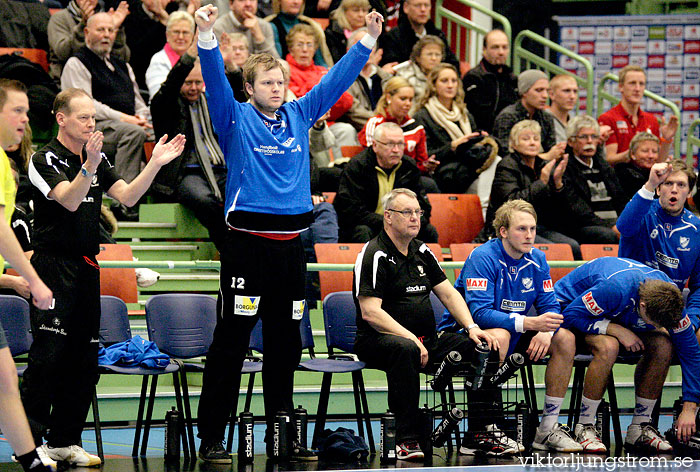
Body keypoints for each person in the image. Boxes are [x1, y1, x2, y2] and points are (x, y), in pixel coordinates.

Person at [193, 4, 383, 462]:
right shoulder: (234, 117)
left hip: (289, 251)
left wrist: (367, 41)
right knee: (232, 344)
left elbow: (335, 81)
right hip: (246, 248)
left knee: (285, 344)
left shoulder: (300, 113)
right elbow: (215, 80)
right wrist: (205, 34)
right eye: (267, 83)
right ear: (250, 88)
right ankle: (213, 437)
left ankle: (282, 434)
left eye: (280, 82)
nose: (277, 89)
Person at [22, 87, 184, 467]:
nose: (91, 124)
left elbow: (127, 196)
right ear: (61, 119)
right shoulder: (43, 158)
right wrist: (89, 166)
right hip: (52, 267)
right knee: (48, 359)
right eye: (84, 117)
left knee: (83, 359)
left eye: (93, 117)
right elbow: (69, 199)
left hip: (86, 266)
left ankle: (64, 440)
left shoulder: (94, 156)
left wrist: (155, 163)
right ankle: (30, 444)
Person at [353, 187, 496, 460]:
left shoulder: (422, 250)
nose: (415, 218)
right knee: (405, 350)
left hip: (426, 340)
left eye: (417, 212)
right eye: (406, 212)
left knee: (484, 346)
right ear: (388, 217)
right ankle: (405, 439)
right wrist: (410, 338)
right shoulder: (374, 254)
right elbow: (371, 312)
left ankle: (480, 432)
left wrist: (472, 328)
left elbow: (448, 293)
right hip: (377, 340)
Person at [439, 200, 583, 453]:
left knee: (565, 338)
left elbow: (551, 305)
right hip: (466, 332)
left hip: (513, 328)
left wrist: (546, 331)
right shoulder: (483, 256)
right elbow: (480, 314)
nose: (529, 236)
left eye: (532, 229)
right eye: (521, 229)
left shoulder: (537, 259)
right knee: (499, 336)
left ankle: (547, 429)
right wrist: (529, 323)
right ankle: (481, 430)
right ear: (503, 231)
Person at [555, 257, 700, 452]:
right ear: (643, 306)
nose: (659, 327)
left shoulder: (673, 303)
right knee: (609, 346)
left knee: (664, 344)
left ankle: (640, 427)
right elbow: (570, 315)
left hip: (621, 315)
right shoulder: (615, 288)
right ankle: (585, 426)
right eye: (656, 323)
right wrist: (613, 328)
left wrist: (690, 408)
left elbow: (691, 353)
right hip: (573, 310)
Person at [0, 78, 56, 472]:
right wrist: (33, 280)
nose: (25, 119)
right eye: (17, 110)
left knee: (5, 381)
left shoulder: (5, 165)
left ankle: (31, 461)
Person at [150, 37, 234, 253]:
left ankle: (247, 251)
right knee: (204, 201)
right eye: (188, 83)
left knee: (247, 196)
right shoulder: (165, 105)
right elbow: (169, 87)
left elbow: (240, 95)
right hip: (185, 173)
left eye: (198, 82)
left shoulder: (213, 101)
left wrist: (230, 65)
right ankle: (231, 253)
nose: (194, 88)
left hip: (221, 168)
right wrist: (188, 58)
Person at [61, 12, 151, 190]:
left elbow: (138, 101)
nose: (106, 35)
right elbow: (86, 107)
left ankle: (163, 192)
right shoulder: (77, 63)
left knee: (166, 131)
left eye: (110, 30)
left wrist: (142, 118)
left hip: (126, 123)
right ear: (87, 32)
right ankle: (122, 197)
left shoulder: (123, 65)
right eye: (101, 30)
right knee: (133, 133)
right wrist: (126, 118)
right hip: (93, 127)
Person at [618, 159, 700, 346]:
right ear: (658, 189)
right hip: (630, 306)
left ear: (688, 192)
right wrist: (650, 184)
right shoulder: (642, 212)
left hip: (668, 310)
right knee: (662, 346)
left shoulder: (696, 229)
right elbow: (623, 227)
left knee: (695, 337)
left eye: (681, 185)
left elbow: (699, 286)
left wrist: (692, 321)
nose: (674, 189)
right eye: (668, 183)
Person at [481, 120, 580, 257]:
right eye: (526, 139)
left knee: (572, 247)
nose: (532, 143)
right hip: (510, 229)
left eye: (536, 139)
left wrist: (558, 185)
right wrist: (542, 182)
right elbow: (511, 204)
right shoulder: (507, 166)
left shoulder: (543, 165)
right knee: (553, 250)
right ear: (514, 144)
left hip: (539, 226)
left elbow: (560, 209)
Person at [413, 63, 499, 210]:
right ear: (433, 85)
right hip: (444, 170)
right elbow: (426, 155)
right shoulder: (423, 116)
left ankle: (483, 212)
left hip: (467, 164)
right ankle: (482, 212)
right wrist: (453, 146)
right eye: (444, 81)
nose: (450, 85)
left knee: (497, 160)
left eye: (454, 81)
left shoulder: (463, 113)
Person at [334, 122, 438, 243]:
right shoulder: (357, 167)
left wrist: (407, 221)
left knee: (429, 231)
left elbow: (422, 205)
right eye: (389, 144)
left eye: (400, 144)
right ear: (375, 145)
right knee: (362, 232)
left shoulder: (409, 167)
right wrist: (390, 222)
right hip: (368, 225)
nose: (396, 150)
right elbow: (350, 210)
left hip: (401, 225)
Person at [285, 23, 358, 151]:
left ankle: (342, 168)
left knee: (346, 130)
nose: (305, 49)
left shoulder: (322, 71)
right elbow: (298, 102)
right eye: (300, 44)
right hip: (300, 128)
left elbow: (346, 102)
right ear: (291, 49)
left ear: (315, 49)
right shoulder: (284, 71)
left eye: (309, 45)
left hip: (327, 122)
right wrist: (321, 84)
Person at [358, 77, 438, 192]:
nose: (408, 104)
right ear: (389, 98)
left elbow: (420, 163)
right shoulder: (375, 124)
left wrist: (427, 166)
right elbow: (368, 159)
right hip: (378, 176)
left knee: (429, 184)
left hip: (408, 177)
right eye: (403, 99)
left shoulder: (416, 127)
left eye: (410, 100)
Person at [554, 114, 625, 245]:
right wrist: (610, 227)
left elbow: (620, 199)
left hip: (614, 223)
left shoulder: (603, 165)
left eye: (594, 137)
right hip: (584, 226)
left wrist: (625, 222)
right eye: (583, 137)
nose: (589, 141)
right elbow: (577, 209)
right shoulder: (565, 167)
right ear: (571, 141)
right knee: (607, 235)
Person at [598, 65, 678, 165]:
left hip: (648, 177)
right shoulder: (608, 118)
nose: (637, 88)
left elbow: (658, 162)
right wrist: (635, 152)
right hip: (619, 177)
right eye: (632, 83)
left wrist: (666, 139)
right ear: (621, 87)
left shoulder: (651, 120)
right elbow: (609, 159)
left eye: (641, 84)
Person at [492, 69, 566, 162]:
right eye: (539, 90)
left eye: (546, 90)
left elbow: (551, 150)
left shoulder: (546, 117)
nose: (545, 95)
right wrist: (544, 157)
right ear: (524, 92)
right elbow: (506, 155)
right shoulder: (508, 117)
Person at [47, 0, 130, 82]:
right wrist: (83, 26)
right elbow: (63, 54)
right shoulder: (60, 18)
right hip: (68, 83)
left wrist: (115, 30)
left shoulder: (106, 19)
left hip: (107, 82)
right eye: (100, 30)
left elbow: (123, 58)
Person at [462, 29, 517, 134]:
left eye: (504, 47)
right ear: (484, 49)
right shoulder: (473, 78)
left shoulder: (512, 79)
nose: (501, 52)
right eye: (495, 47)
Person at [377, 0, 458, 69]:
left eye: (426, 5)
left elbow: (452, 63)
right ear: (406, 7)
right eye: (418, 5)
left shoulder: (438, 35)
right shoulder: (393, 37)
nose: (423, 9)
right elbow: (393, 67)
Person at [341, 28, 392, 132]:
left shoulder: (386, 78)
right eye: (361, 45)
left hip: (388, 128)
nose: (367, 49)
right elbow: (353, 111)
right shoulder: (343, 79)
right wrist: (380, 121)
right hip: (359, 130)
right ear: (348, 50)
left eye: (371, 45)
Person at [266, 0, 334, 67]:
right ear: (279, 1)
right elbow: (276, 62)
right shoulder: (269, 26)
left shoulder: (312, 25)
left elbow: (321, 63)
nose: (296, 2)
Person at [145, 11, 196, 98]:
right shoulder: (159, 60)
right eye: (176, 32)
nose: (180, 37)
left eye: (185, 32)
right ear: (167, 35)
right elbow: (158, 97)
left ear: (192, 36)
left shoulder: (199, 60)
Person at [393, 35, 444, 114]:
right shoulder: (406, 76)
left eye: (437, 55)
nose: (434, 58)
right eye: (429, 54)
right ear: (418, 57)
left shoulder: (445, 77)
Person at [213, 0, 278, 57]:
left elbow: (276, 63)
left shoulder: (264, 26)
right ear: (231, 4)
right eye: (242, 0)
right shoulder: (218, 27)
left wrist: (259, 37)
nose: (248, 4)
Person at [614, 132, 659, 201]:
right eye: (645, 151)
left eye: (654, 152)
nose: (651, 156)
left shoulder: (659, 175)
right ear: (632, 154)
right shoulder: (622, 172)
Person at [324, 0, 370, 64]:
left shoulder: (372, 33)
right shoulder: (331, 34)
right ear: (344, 12)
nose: (361, 15)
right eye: (355, 10)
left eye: (364, 10)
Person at [545, 74, 578, 143]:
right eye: (566, 91)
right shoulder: (542, 120)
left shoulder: (576, 122)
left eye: (575, 91)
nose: (572, 96)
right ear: (551, 94)